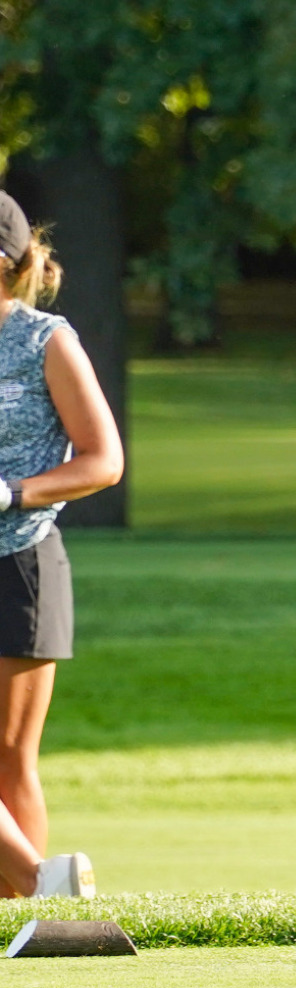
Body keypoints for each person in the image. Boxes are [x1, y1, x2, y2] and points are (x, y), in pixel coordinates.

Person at [0, 191, 123, 899]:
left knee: (12, 758)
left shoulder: (46, 340)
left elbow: (101, 460)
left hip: (21, 561)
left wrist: (13, 492)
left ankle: (25, 915)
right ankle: (45, 888)